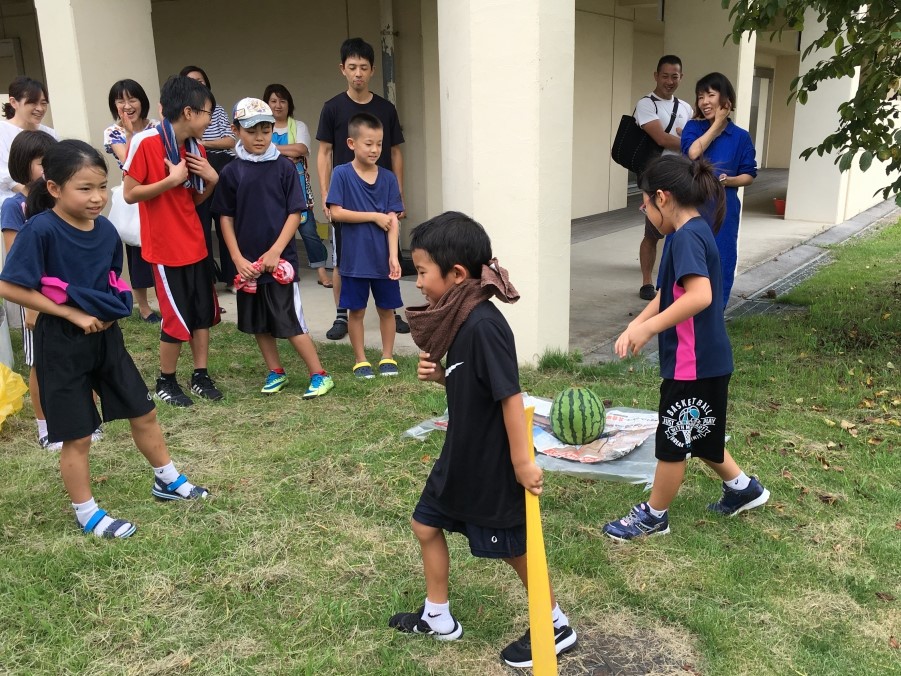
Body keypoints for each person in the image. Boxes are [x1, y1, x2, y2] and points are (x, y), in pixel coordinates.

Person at [390, 211, 577, 668]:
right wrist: (441, 378)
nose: (417, 283)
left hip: (491, 462)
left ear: (456, 275)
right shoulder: (461, 319)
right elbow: (473, 387)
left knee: (513, 549)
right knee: (425, 525)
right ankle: (438, 617)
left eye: (422, 272)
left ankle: (555, 625)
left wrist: (521, 463)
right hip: (461, 454)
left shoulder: (483, 326)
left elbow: (510, 396)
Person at [0, 139, 210, 539]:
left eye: (101, 187)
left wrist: (114, 306)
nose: (97, 198)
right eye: (85, 188)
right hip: (60, 342)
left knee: (143, 410)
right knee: (77, 434)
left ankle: (166, 480)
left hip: (107, 339)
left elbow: (113, 280)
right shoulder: (41, 229)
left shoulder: (107, 232)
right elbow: (9, 285)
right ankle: (86, 512)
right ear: (55, 188)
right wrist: (69, 312)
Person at [602, 154, 769, 541]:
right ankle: (743, 488)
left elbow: (699, 296)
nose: (643, 210)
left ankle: (654, 516)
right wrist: (636, 323)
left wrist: (647, 332)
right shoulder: (689, 233)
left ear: (661, 197)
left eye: (643, 202)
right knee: (701, 434)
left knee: (674, 442)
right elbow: (667, 293)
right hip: (708, 361)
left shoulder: (687, 237)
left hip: (692, 366)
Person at [213, 97, 334, 399]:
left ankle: (319, 374)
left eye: (265, 130)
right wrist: (237, 258)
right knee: (258, 322)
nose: (259, 137)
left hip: (280, 264)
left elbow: (296, 213)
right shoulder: (232, 172)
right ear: (236, 129)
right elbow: (225, 217)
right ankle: (275, 371)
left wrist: (276, 251)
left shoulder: (283, 167)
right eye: (252, 130)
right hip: (247, 266)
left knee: (289, 320)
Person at [122, 75, 222, 408]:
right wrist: (171, 179)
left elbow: (190, 201)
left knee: (201, 314)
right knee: (175, 317)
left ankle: (201, 374)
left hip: (194, 242)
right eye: (209, 112)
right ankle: (165, 380)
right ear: (190, 112)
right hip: (165, 248)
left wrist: (211, 181)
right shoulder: (148, 143)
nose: (211, 119)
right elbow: (130, 193)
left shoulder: (195, 148)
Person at [316, 37, 409, 341]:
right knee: (344, 258)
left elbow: (395, 152)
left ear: (372, 71)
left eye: (364, 67)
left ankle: (390, 311)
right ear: (343, 69)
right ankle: (342, 315)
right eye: (352, 67)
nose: (358, 73)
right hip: (344, 195)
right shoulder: (332, 108)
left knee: (386, 250)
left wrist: (400, 194)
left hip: (381, 193)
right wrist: (326, 196)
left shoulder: (385, 108)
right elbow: (325, 152)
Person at [325, 113, 402, 378]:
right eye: (369, 143)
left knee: (387, 310)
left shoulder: (389, 179)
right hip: (354, 260)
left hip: (383, 261)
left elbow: (393, 220)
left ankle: (387, 356)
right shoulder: (341, 174)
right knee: (355, 311)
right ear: (351, 143)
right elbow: (336, 212)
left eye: (379, 144)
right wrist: (372, 215)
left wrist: (394, 256)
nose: (375, 149)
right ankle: (360, 360)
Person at [1, 129, 58, 448]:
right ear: (23, 165)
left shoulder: (60, 199)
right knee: (41, 364)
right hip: (36, 297)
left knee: (75, 359)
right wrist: (32, 307)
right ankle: (44, 426)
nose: (49, 168)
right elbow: (17, 262)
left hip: (67, 296)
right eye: (41, 163)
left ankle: (86, 419)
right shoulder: (15, 206)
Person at [681, 72, 757, 308]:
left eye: (710, 95)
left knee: (721, 257)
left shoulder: (741, 137)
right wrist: (716, 126)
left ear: (726, 100)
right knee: (687, 256)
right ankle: (681, 308)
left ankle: (716, 311)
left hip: (724, 207)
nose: (704, 102)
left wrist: (729, 181)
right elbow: (692, 153)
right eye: (700, 96)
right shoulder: (693, 127)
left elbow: (749, 174)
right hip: (691, 206)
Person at [634, 56, 694, 301]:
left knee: (680, 229)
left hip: (681, 175)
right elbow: (661, 139)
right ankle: (647, 282)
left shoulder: (686, 107)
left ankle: (676, 279)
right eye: (665, 75)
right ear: (656, 75)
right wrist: (693, 144)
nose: (670, 81)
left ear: (682, 77)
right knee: (653, 232)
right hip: (655, 176)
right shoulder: (646, 104)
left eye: (675, 76)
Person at [103, 79, 161, 323]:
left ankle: (167, 298)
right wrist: (129, 132)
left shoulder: (157, 126)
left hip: (158, 192)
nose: (127, 105)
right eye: (120, 100)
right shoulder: (113, 132)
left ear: (142, 102)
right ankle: (145, 307)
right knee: (136, 253)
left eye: (132, 99)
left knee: (160, 249)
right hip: (134, 195)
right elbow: (129, 160)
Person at [264, 83, 332, 288]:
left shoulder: (298, 126)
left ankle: (322, 272)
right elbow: (259, 152)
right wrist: (286, 154)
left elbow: (300, 149)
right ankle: (283, 269)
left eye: (282, 101)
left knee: (308, 229)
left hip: (298, 188)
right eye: (273, 101)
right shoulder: (263, 126)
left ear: (289, 104)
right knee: (275, 230)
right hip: (270, 188)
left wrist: (273, 149)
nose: (278, 105)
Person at [180, 65, 237, 292]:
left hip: (221, 167)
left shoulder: (218, 111)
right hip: (195, 168)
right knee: (200, 227)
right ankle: (207, 281)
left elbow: (230, 141)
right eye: (191, 81)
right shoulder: (181, 114)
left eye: (201, 81)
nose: (197, 84)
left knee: (226, 222)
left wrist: (203, 144)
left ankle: (233, 278)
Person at [0, 77, 58, 205]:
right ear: (14, 102)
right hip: (9, 202)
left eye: (43, 103)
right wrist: (33, 198)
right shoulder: (2, 131)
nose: (40, 108)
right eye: (33, 103)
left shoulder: (50, 133)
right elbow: (4, 176)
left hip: (46, 198)